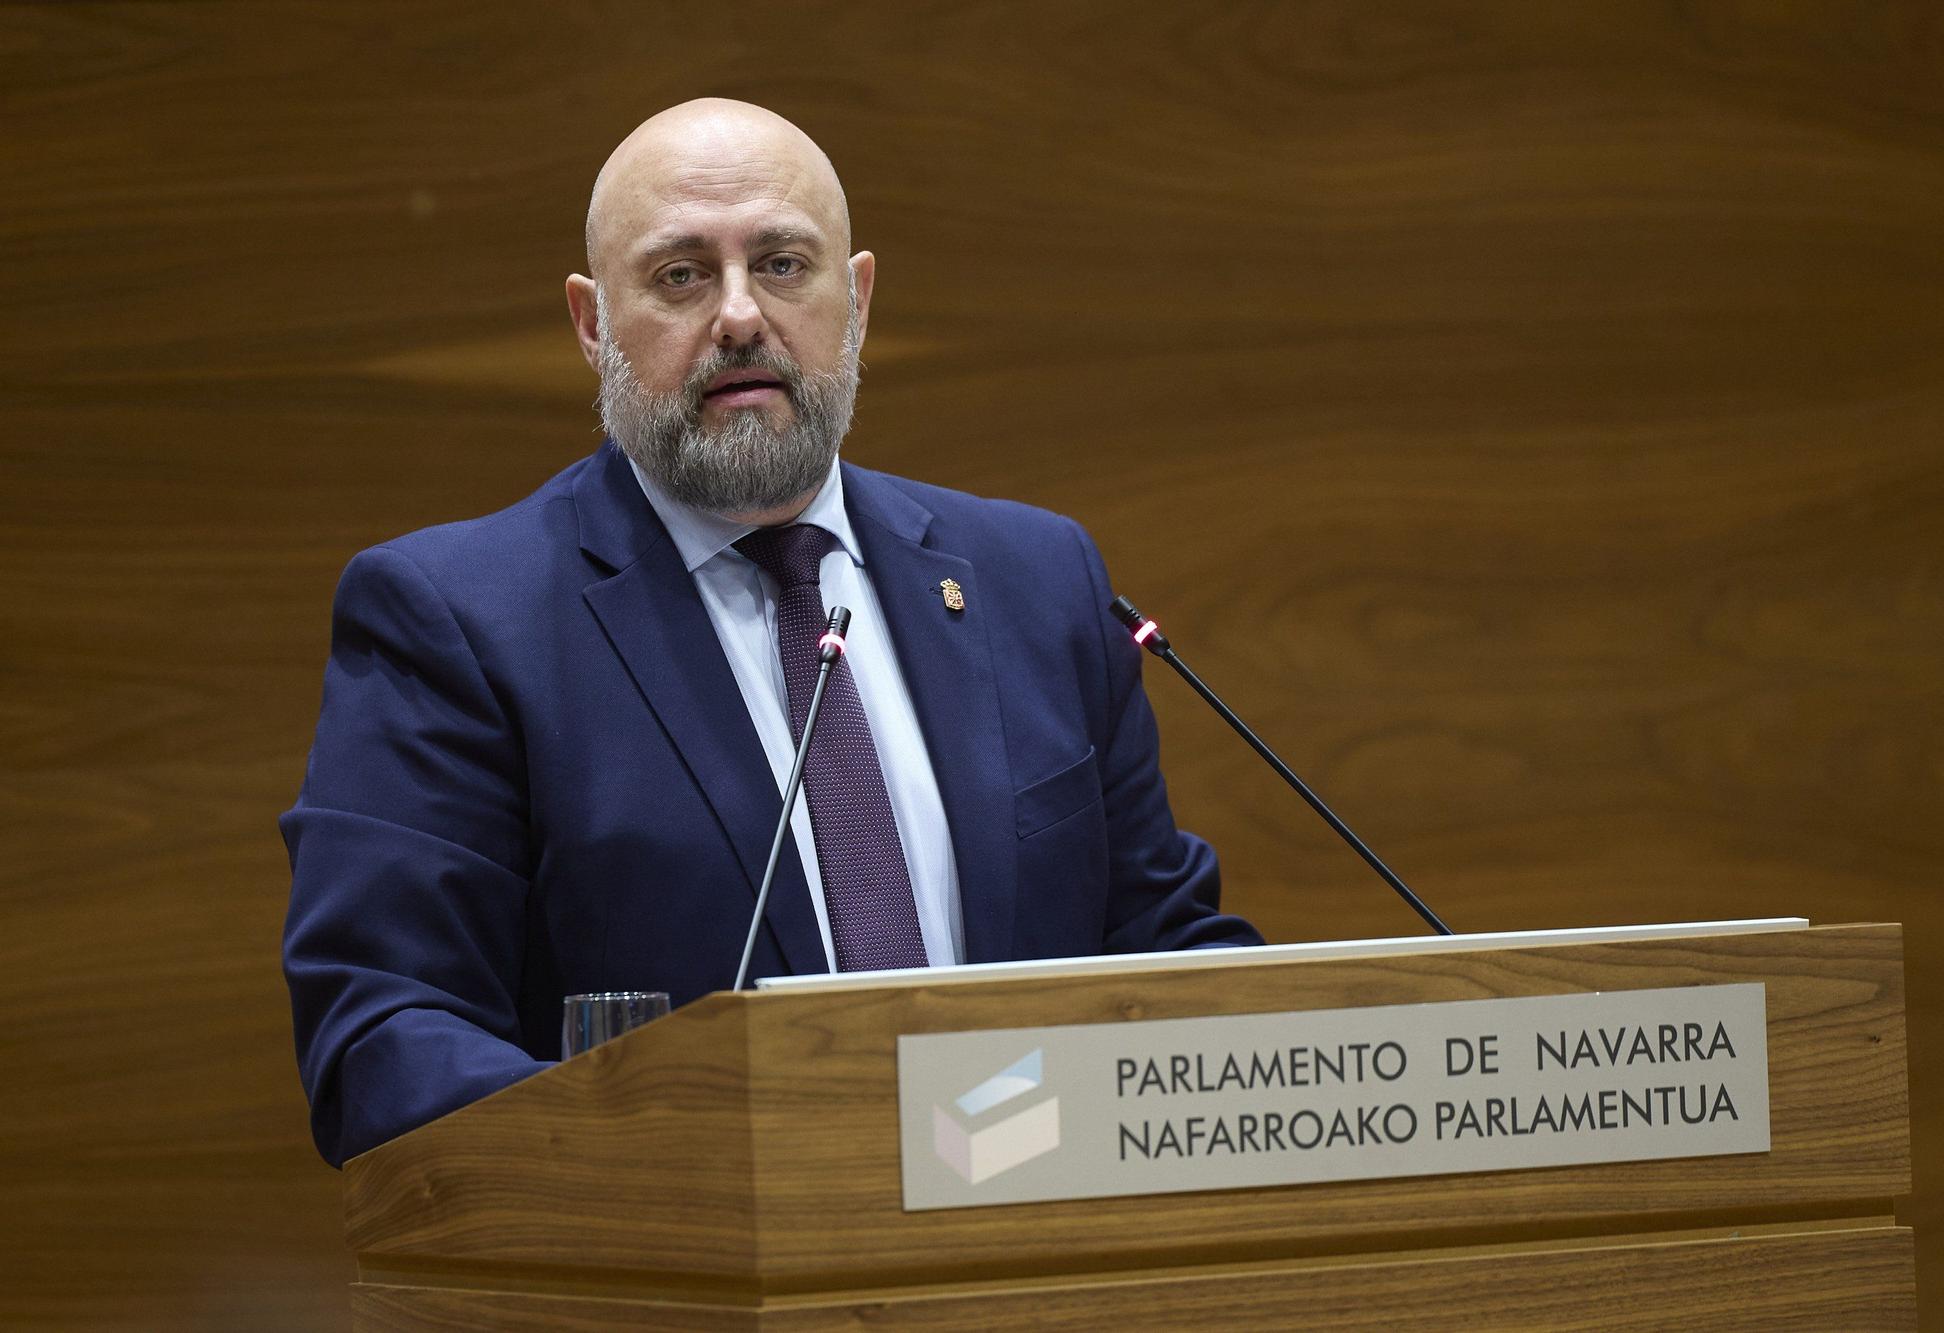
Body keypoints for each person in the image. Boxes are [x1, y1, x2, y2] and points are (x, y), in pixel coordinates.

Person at [281, 100, 1261, 1167]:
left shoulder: (1033, 579)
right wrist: (721, 1166)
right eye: (680, 276)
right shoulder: (456, 618)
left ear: (859, 300)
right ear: (590, 322)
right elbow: (382, 1036)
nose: (740, 316)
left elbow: (1162, 958)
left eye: (785, 265)